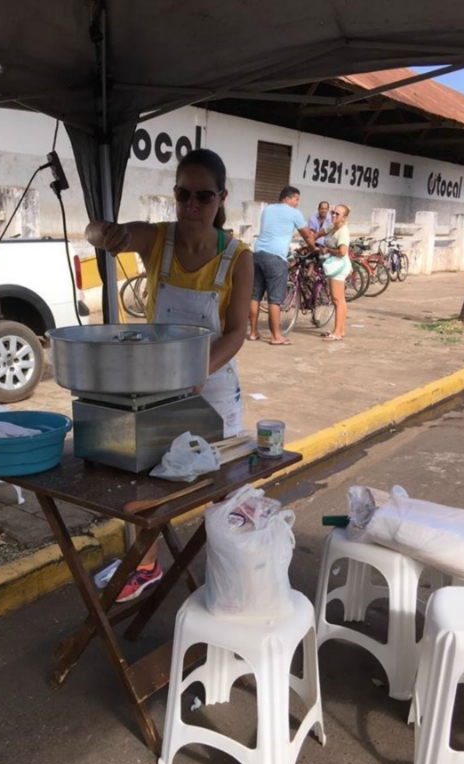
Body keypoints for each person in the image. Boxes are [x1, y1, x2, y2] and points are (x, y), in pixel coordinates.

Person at [85, 148, 253, 601]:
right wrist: (104, 232)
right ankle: (144, 564)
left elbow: (237, 332)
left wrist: (197, 370)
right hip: (157, 383)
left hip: (212, 382)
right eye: (183, 195)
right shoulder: (158, 239)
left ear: (221, 198)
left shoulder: (238, 257)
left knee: (224, 488)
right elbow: (98, 233)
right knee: (142, 477)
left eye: (203, 196)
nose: (192, 207)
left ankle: (234, 582)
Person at [248, 186, 318, 345]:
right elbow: (307, 235)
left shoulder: (267, 209)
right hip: (275, 257)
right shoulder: (294, 213)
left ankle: (253, 332)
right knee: (275, 299)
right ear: (287, 199)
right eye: (296, 199)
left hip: (257, 254)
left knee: (255, 295)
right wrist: (314, 248)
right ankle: (276, 336)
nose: (297, 203)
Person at [312, 203, 352, 342]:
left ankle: (337, 333)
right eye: (333, 212)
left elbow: (342, 252)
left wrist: (328, 250)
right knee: (340, 299)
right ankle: (340, 330)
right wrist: (309, 242)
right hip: (334, 265)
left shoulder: (342, 231)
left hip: (339, 267)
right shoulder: (332, 226)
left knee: (337, 300)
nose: (333, 215)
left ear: (344, 218)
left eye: (337, 214)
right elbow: (318, 233)